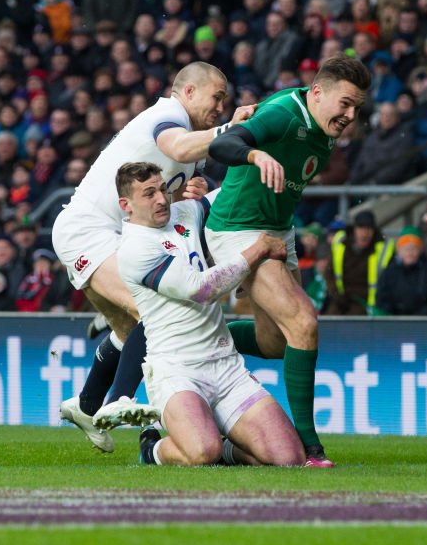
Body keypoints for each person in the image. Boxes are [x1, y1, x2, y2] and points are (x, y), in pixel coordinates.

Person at [55, 61, 253, 453]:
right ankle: (119, 400)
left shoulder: (194, 144)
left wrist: (195, 190)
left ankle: (86, 403)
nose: (220, 105)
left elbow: (171, 195)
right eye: (216, 97)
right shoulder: (168, 115)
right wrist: (233, 129)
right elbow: (176, 147)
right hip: (89, 232)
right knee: (156, 316)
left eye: (225, 100)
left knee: (132, 334)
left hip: (127, 237)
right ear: (189, 92)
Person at [205, 55, 372, 467]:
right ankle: (310, 446)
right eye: (345, 104)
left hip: (279, 229)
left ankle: (191, 332)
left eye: (357, 108)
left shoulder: (325, 127)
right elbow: (222, 145)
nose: (350, 115)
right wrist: (254, 155)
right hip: (240, 228)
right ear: (317, 92)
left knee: (274, 342)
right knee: (303, 321)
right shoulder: (283, 113)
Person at [111, 163, 303, 467]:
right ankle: (153, 450)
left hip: (226, 367)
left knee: (289, 458)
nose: (161, 199)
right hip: (177, 370)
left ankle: (228, 448)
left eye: (162, 188)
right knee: (202, 451)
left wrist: (255, 163)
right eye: (149, 193)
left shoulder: (185, 211)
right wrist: (258, 248)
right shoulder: (134, 249)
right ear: (127, 205)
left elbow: (230, 195)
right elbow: (201, 289)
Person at [325, 210, 395, 316]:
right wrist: (336, 295)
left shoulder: (382, 249)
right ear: (354, 230)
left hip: (366, 302)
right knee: (328, 321)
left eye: (369, 228)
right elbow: (329, 272)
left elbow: (388, 280)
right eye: (361, 227)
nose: (365, 232)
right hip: (341, 298)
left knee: (354, 321)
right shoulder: (341, 244)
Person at [376, 227, 427, 316]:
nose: (410, 252)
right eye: (406, 248)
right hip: (395, 324)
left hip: (424, 324)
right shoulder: (389, 272)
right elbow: (382, 300)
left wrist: (418, 317)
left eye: (414, 248)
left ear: (420, 250)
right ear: (399, 250)